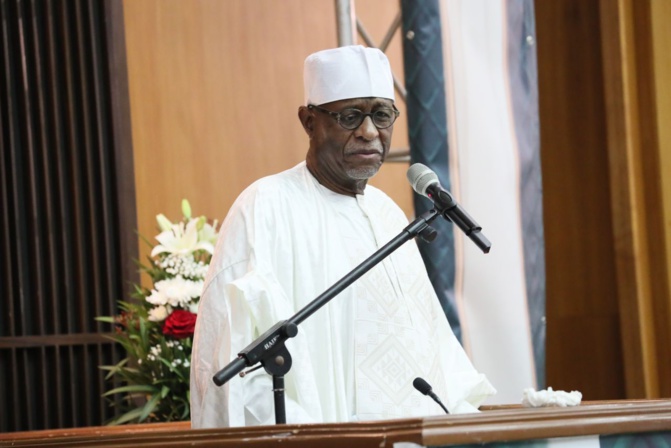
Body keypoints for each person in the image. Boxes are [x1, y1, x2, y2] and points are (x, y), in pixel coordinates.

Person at [190, 45, 495, 428]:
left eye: (382, 115)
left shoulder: (387, 214)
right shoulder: (265, 207)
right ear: (309, 121)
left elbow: (429, 344)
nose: (369, 132)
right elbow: (229, 361)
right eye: (350, 116)